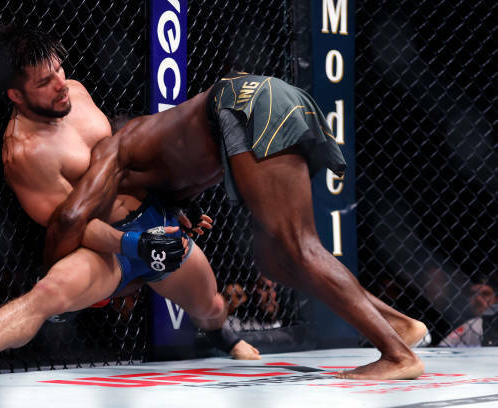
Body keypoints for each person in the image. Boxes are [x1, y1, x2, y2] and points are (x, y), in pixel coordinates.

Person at [38, 70, 430, 380]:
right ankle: (398, 324)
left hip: (245, 106)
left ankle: (397, 356)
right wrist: (179, 213)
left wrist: (54, 284)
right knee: (274, 258)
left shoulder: (113, 148)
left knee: (300, 248)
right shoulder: (161, 157)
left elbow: (70, 217)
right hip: (272, 98)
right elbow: (180, 180)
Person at [0, 25, 258, 381]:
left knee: (211, 304)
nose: (60, 84)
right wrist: (134, 244)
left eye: (59, 69)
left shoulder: (77, 93)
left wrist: (173, 200)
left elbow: (124, 160)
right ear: (16, 95)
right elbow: (71, 225)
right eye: (44, 82)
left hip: (153, 220)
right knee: (47, 294)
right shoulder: (25, 153)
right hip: (104, 250)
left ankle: (223, 336)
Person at [439, 281, 498, 347]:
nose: (478, 299)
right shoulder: (469, 325)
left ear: (496, 298)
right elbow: (443, 347)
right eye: (472, 294)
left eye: (485, 294)